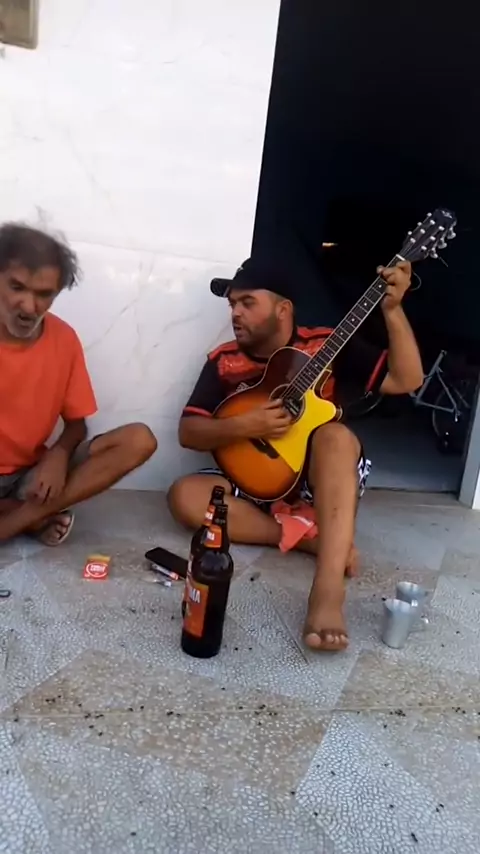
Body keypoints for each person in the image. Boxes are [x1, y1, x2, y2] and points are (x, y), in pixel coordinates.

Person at [167, 256, 424, 652]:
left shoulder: (327, 343)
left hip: (317, 483)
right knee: (184, 496)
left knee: (336, 437)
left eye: (247, 302)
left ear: (283, 309)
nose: (235, 313)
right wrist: (247, 426)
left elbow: (407, 379)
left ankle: (327, 591)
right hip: (253, 479)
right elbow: (189, 432)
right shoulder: (224, 360)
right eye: (232, 304)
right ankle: (308, 540)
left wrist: (392, 309)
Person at [0, 223, 157, 546]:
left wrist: (58, 454)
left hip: (28, 477)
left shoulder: (64, 339)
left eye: (44, 294)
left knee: (138, 440)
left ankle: (16, 520)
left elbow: (76, 424)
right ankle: (30, 517)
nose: (29, 306)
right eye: (17, 287)